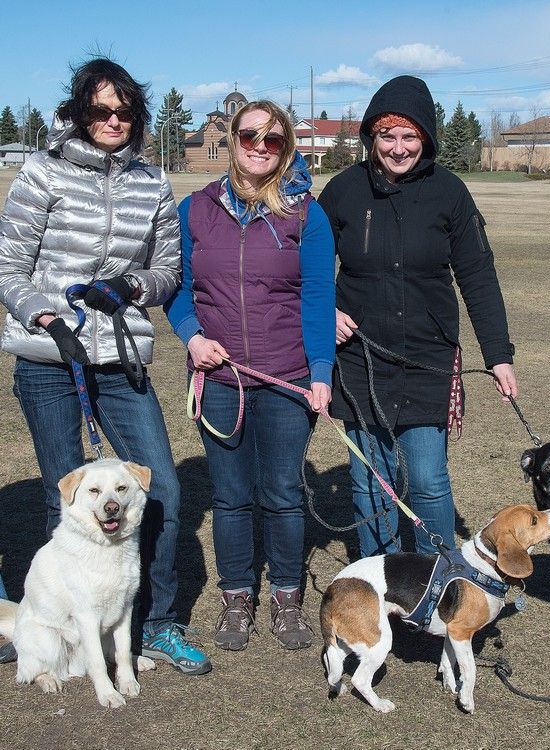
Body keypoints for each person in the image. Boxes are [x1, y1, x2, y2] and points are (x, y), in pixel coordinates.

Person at [0, 58, 210, 674]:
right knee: (64, 494)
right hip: (49, 357)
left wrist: (131, 286)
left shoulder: (153, 183)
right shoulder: (41, 173)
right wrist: (46, 316)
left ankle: (157, 624)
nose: (113, 120)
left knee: (161, 489)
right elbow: (9, 268)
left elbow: (169, 271)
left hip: (122, 358)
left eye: (124, 111)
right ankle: (64, 629)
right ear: (81, 112)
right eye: (101, 110)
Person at [317, 76, 517, 557]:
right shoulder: (342, 192)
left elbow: (478, 276)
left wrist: (499, 355)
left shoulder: (450, 192)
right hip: (360, 357)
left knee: (427, 479)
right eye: (388, 136)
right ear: (372, 137)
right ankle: (380, 584)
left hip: (428, 357)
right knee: (372, 483)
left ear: (425, 139)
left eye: (410, 137)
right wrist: (327, 311)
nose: (398, 148)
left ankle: (438, 585)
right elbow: (309, 272)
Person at [165, 101, 334, 651]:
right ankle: (236, 596)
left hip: (286, 378)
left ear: (286, 149)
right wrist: (193, 336)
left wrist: (321, 372)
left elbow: (316, 297)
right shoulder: (195, 209)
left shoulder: (306, 213)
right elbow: (178, 290)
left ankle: (287, 595)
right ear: (233, 139)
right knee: (232, 494)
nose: (261, 146)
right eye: (250, 135)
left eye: (274, 139)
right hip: (220, 381)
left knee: (282, 493)